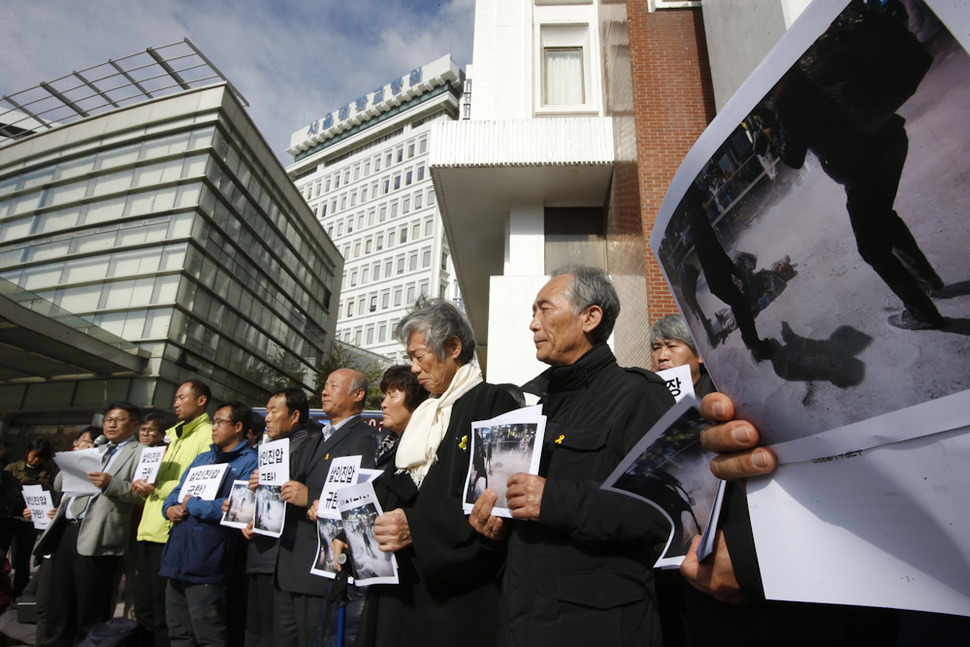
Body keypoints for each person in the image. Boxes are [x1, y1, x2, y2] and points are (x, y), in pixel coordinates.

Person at [470, 266, 675, 647]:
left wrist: (555, 500)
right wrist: (493, 531)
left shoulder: (639, 395)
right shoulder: (536, 413)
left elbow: (663, 511)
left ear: (590, 317)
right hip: (522, 624)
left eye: (544, 309)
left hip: (598, 626)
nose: (533, 324)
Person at [344, 297, 518, 647]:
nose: (413, 368)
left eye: (418, 356)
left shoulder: (494, 403)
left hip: (454, 593)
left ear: (453, 347)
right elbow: (395, 491)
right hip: (400, 588)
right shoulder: (423, 415)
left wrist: (417, 528)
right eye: (410, 358)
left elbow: (495, 503)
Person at [278, 371, 377, 647]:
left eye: (333, 386)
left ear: (358, 395)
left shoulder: (365, 438)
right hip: (288, 562)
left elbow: (361, 498)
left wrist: (310, 496)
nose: (324, 392)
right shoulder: (316, 438)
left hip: (320, 567)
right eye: (324, 386)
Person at [35, 401, 144, 646]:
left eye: (119, 420)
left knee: (91, 608)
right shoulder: (96, 447)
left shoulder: (142, 452)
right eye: (108, 420)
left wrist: (110, 483)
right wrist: (74, 459)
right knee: (59, 603)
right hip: (68, 531)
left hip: (100, 535)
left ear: (134, 425)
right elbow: (59, 484)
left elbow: (141, 494)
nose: (111, 424)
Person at [159, 402, 258, 647]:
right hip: (176, 556)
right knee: (178, 633)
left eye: (220, 422)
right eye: (213, 422)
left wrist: (193, 506)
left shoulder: (250, 462)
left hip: (209, 562)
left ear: (238, 427)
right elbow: (177, 492)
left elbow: (237, 506)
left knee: (209, 635)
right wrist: (169, 508)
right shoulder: (203, 457)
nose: (214, 427)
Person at [131, 381, 213, 647]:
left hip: (172, 532)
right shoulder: (170, 436)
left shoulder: (207, 435)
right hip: (148, 529)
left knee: (164, 614)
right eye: (175, 398)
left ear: (201, 401)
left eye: (181, 397)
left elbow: (200, 483)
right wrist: (142, 485)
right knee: (142, 606)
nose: (175, 403)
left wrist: (160, 488)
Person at [240, 388, 313, 647]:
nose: (267, 417)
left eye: (273, 411)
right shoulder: (270, 449)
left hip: (282, 561)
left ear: (294, 416)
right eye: (266, 411)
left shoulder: (308, 448)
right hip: (260, 553)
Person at [1, 439, 56, 597]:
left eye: (40, 457)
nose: (36, 460)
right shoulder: (12, 467)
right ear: (27, 452)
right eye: (34, 455)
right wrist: (19, 484)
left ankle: (20, 593)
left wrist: (41, 485)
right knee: (2, 553)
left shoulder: (47, 470)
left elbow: (53, 491)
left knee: (23, 558)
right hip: (9, 516)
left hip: (31, 519)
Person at [649, 313, 716, 399]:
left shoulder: (723, 391)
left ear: (699, 354)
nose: (662, 357)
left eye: (671, 346)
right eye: (657, 348)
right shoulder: (648, 398)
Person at [374, 364, 429, 466]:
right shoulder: (380, 445)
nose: (384, 404)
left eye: (392, 396)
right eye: (384, 397)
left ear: (415, 401)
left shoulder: (427, 448)